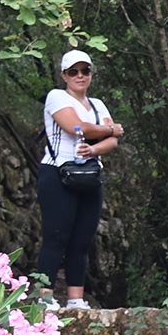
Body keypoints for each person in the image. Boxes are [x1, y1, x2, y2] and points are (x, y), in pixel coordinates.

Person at [39, 49, 121, 309]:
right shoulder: (56, 97)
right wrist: (109, 129)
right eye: (73, 71)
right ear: (64, 75)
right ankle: (45, 297)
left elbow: (112, 142)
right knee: (55, 235)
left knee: (83, 238)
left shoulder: (97, 105)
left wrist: (94, 148)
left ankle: (75, 298)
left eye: (85, 71)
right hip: (58, 172)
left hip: (89, 172)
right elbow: (76, 127)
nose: (80, 76)